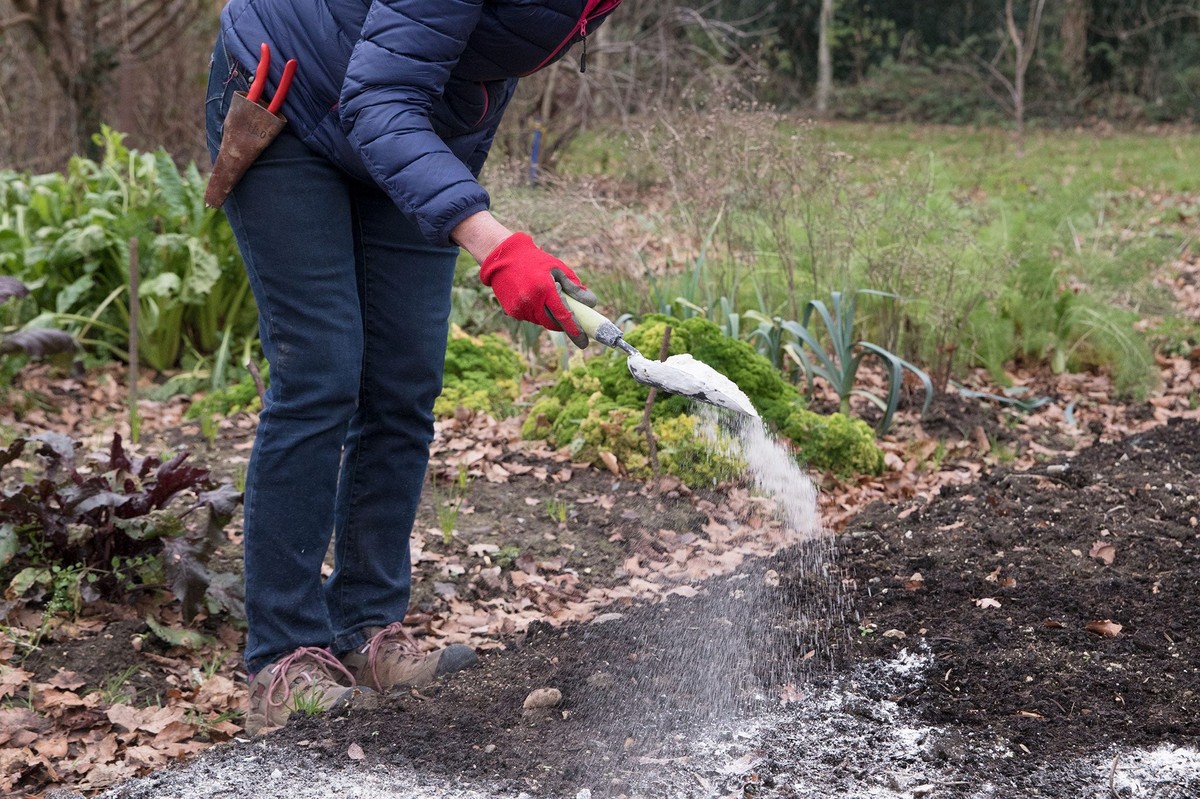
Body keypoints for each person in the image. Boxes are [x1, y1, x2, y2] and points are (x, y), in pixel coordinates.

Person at [204, 0, 622, 735]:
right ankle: (283, 654)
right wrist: (494, 242)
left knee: (403, 381)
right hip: (294, 95)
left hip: (413, 129)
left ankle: (366, 626)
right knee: (322, 371)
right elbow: (378, 90)